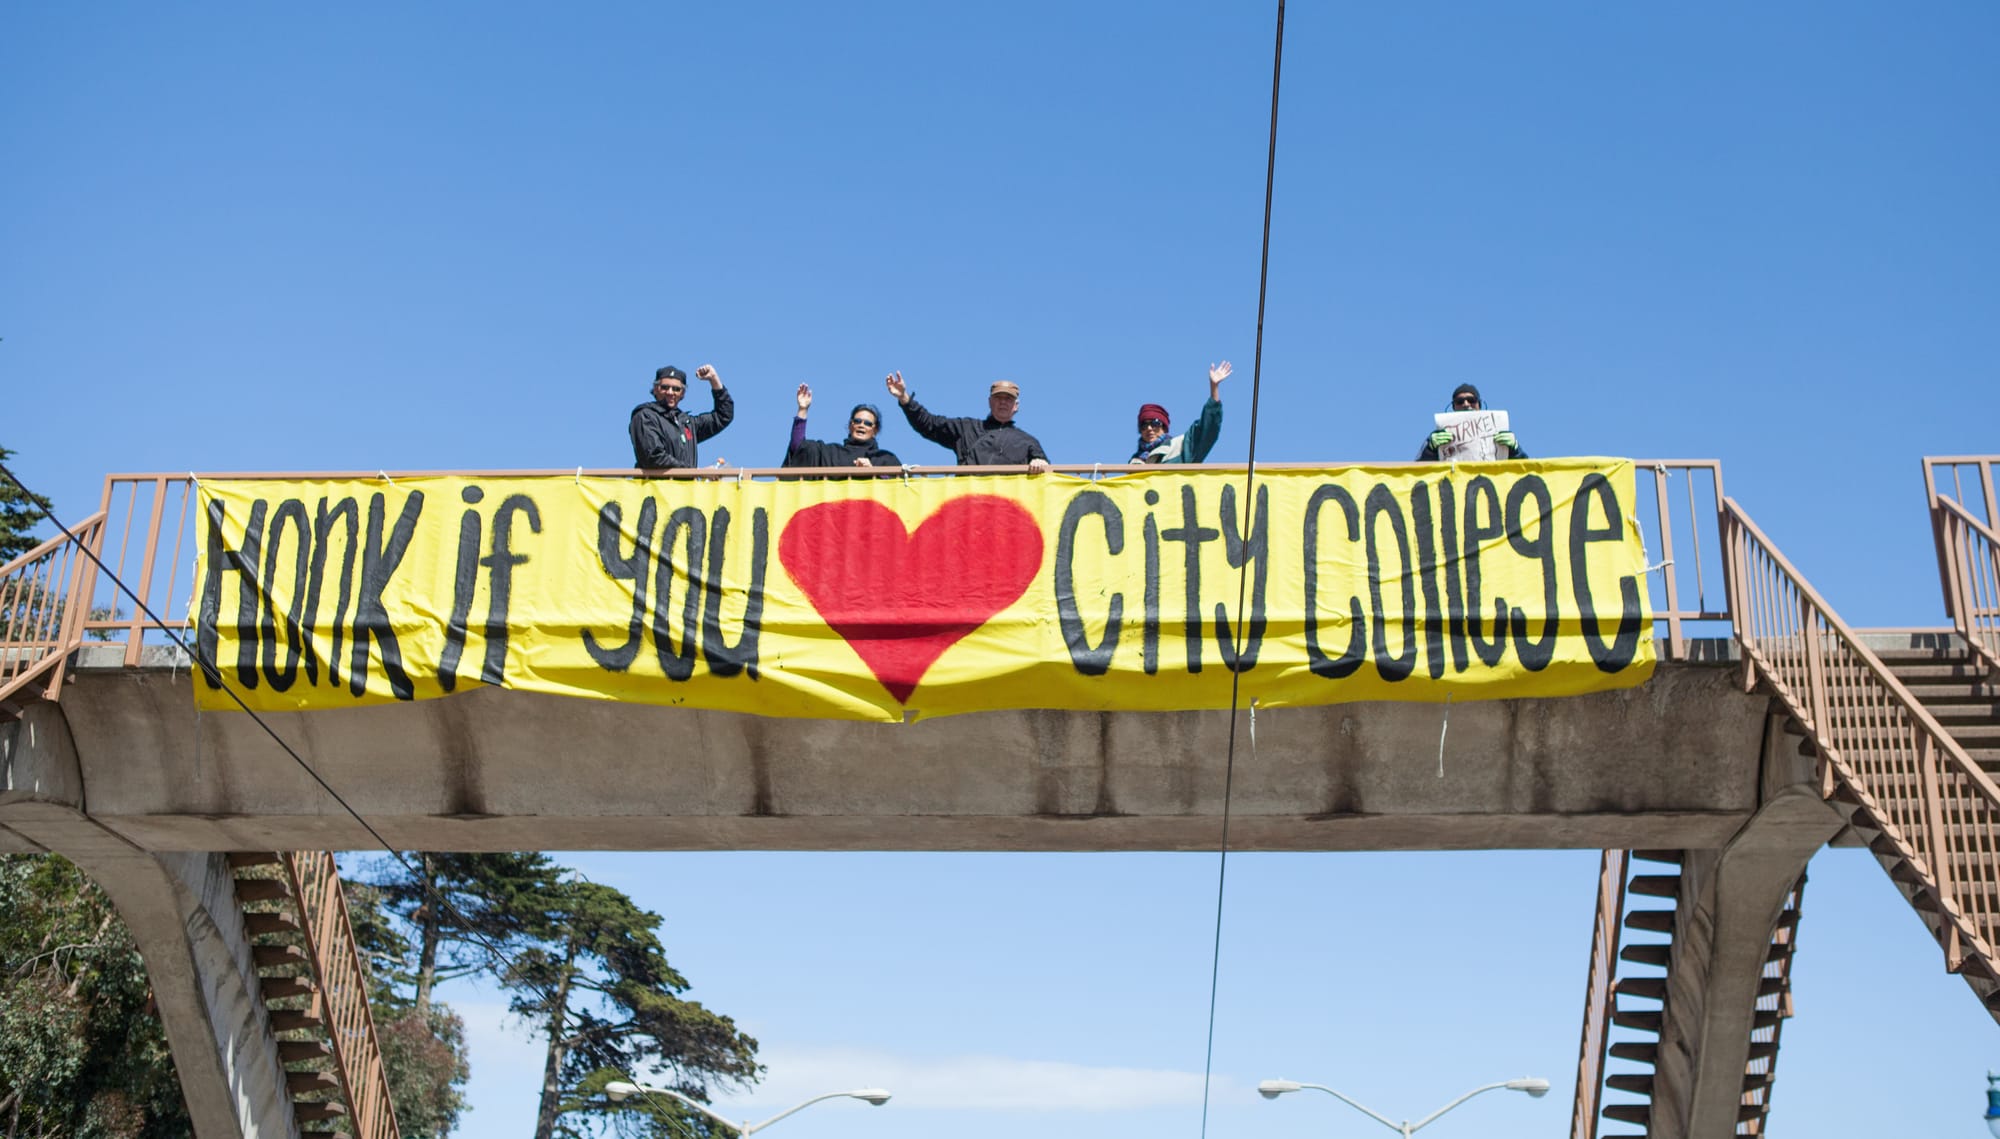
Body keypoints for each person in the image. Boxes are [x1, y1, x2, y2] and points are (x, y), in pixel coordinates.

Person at [885, 372, 1051, 472]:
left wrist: (1041, 464)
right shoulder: (966, 428)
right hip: (970, 512)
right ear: (989, 402)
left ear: (1016, 406)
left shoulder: (1028, 442)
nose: (1003, 402)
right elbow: (928, 424)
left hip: (1007, 516)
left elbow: (1047, 474)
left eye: (1008, 399)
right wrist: (904, 398)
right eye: (998, 398)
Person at [630, 364, 734, 470]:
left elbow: (723, 416)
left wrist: (714, 379)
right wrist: (695, 472)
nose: (670, 392)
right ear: (655, 389)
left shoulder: (687, 423)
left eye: (676, 389)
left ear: (682, 393)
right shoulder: (645, 415)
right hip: (656, 486)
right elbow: (652, 457)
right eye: (664, 387)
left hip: (685, 486)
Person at [782, 384, 902, 471]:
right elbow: (799, 448)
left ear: (875, 430)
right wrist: (803, 410)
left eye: (868, 423)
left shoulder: (885, 459)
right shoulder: (830, 454)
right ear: (850, 425)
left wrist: (874, 472)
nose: (861, 425)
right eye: (857, 421)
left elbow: (899, 490)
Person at [1130, 361, 1230, 463]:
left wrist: (1214, 388)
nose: (1149, 428)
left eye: (1155, 423)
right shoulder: (1135, 462)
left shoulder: (1181, 447)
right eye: (1144, 425)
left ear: (1164, 428)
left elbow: (1207, 429)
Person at [1417, 383, 1525, 461]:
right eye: (1460, 401)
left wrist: (1514, 450)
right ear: (1454, 407)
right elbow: (1417, 470)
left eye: (1471, 400)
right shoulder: (1439, 435)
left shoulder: (1498, 431)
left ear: (1479, 405)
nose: (1466, 404)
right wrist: (1430, 450)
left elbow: (1526, 470)